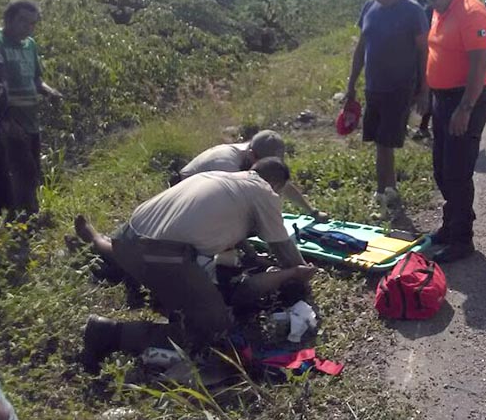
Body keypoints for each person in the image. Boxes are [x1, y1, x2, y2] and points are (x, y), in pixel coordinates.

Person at [77, 158, 316, 373]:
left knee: (189, 285)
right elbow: (285, 250)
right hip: (161, 256)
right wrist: (299, 274)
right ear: (275, 183)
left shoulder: (218, 177)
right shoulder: (264, 191)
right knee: (214, 327)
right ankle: (109, 333)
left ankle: (103, 244)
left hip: (125, 241)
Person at [417, 0, 486, 263]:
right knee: (441, 168)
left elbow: (480, 65)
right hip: (442, 100)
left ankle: (463, 239)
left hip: (465, 100)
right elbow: (437, 52)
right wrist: (427, 91)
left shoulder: (472, 12)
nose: (429, 1)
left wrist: (464, 108)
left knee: (458, 172)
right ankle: (450, 226)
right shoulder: (442, 8)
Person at [345, 0, 429, 216]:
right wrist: (351, 85)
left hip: (400, 87)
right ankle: (388, 190)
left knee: (384, 142)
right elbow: (361, 48)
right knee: (378, 141)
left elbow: (424, 53)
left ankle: (384, 195)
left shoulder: (413, 11)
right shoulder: (369, 7)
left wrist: (424, 90)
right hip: (374, 86)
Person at [0, 0, 63, 217]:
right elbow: (0, 83)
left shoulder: (30, 45)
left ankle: (25, 220)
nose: (28, 27)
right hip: (9, 121)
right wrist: (5, 119)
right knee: (20, 170)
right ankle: (22, 220)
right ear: (9, 19)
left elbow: (36, 80)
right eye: (23, 21)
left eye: (33, 23)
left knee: (32, 169)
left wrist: (50, 92)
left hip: (30, 120)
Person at [172, 129, 326, 220]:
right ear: (252, 155)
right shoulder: (226, 164)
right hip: (183, 200)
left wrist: (313, 212)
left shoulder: (252, 156)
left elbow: (284, 185)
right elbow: (229, 204)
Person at [406, 0, 435, 140]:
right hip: (407, 54)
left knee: (426, 89)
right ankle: (403, 125)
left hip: (426, 52)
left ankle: (424, 126)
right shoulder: (402, 4)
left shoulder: (427, 6)